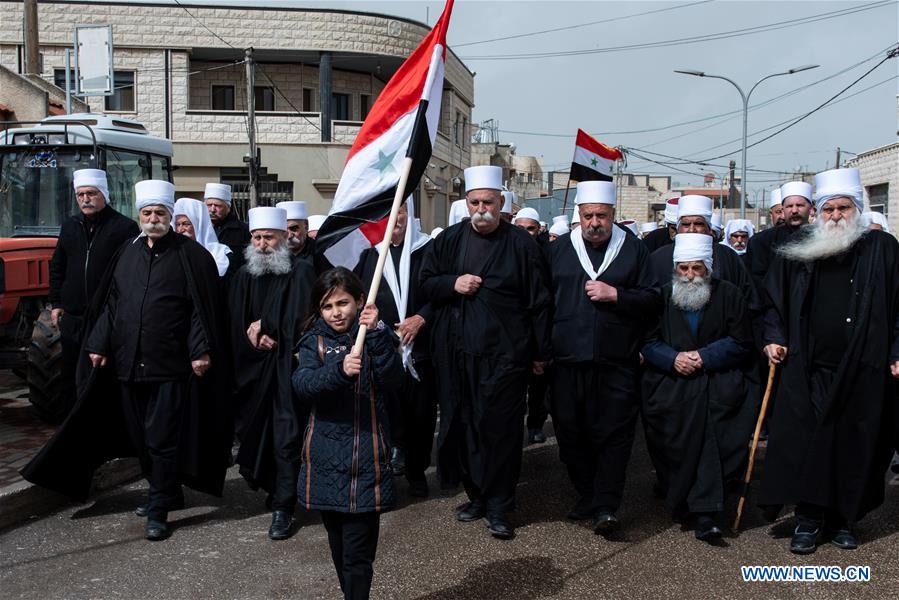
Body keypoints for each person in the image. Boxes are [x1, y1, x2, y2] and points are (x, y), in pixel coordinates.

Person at [24, 180, 232, 541]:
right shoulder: (127, 252)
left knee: (162, 437)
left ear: (170, 216)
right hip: (128, 362)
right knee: (141, 437)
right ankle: (167, 490)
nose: (153, 219)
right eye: (147, 213)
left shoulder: (191, 255)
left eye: (160, 213)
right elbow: (112, 304)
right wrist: (98, 344)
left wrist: (199, 350)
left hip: (170, 365)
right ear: (140, 216)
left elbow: (200, 309)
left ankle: (159, 507)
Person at [759, 168, 899, 554]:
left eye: (843, 208)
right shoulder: (800, 249)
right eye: (829, 209)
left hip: (864, 367)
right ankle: (808, 519)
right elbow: (773, 300)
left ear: (858, 209)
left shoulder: (883, 248)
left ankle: (843, 519)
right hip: (809, 367)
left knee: (854, 444)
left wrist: (897, 352)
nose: (836, 215)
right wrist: (774, 338)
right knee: (809, 443)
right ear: (817, 212)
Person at [420, 165, 552, 540]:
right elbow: (426, 283)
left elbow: (540, 302)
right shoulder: (448, 241)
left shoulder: (522, 245)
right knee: (464, 428)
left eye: (488, 203)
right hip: (458, 356)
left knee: (501, 432)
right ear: (467, 203)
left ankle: (499, 506)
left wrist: (540, 352)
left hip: (505, 358)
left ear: (501, 203)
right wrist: (453, 283)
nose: (482, 209)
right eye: (475, 202)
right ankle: (476, 495)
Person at [547, 180, 660, 534]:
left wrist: (618, 296)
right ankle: (587, 494)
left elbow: (653, 298)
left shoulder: (634, 250)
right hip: (567, 360)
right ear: (578, 215)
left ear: (613, 214)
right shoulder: (558, 250)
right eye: (588, 216)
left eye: (602, 216)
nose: (595, 222)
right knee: (570, 433)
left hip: (617, 361)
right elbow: (541, 302)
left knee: (614, 435)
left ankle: (607, 505)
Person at [293, 268, 403, 600]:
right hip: (325, 461)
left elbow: (393, 380)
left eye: (343, 303)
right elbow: (303, 384)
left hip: (365, 459)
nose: (336, 313)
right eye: (327, 306)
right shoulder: (314, 342)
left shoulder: (374, 335)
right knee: (339, 549)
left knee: (358, 556)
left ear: (359, 301)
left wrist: (378, 333)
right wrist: (339, 371)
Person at [641, 233, 758, 542]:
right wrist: (673, 358)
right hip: (672, 383)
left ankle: (707, 513)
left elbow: (742, 341)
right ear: (675, 269)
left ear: (708, 268)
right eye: (683, 268)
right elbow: (648, 342)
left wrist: (705, 356)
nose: (690, 275)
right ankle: (684, 502)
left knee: (716, 441)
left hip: (719, 380)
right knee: (675, 441)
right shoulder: (661, 297)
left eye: (697, 268)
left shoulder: (729, 294)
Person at [229, 206, 315, 540]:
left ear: (284, 238)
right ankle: (276, 488)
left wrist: (268, 325)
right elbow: (234, 320)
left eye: (269, 237)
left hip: (285, 368)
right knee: (258, 436)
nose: (263, 244)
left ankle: (284, 506)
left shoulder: (301, 270)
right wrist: (251, 336)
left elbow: (303, 314)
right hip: (253, 369)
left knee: (286, 438)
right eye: (257, 238)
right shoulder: (244, 275)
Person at [354, 200, 436, 497]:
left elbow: (441, 295)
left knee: (421, 415)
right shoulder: (370, 255)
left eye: (399, 211)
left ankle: (417, 472)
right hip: (383, 351)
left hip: (421, 351)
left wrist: (421, 317)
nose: (394, 219)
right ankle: (387, 470)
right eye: (387, 213)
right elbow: (358, 297)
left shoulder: (428, 250)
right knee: (386, 414)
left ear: (409, 214)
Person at [47, 168, 139, 421]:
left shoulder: (124, 228)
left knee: (103, 372)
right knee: (70, 372)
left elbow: (130, 272)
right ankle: (71, 423)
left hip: (106, 316)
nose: (85, 199)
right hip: (73, 315)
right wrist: (56, 302)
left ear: (103, 194)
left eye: (91, 193)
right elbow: (58, 266)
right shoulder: (70, 226)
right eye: (80, 194)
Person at [514, 206, 552, 443]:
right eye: (520, 228)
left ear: (538, 230)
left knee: (538, 386)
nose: (525, 233)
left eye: (530, 229)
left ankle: (536, 424)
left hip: (538, 332)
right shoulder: (504, 249)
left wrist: (543, 349)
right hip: (513, 335)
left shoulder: (546, 254)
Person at [745, 181, 813, 294]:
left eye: (800, 205)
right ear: (783, 209)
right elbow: (755, 284)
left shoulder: (821, 239)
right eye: (789, 206)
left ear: (810, 209)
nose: (794, 211)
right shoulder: (760, 242)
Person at [173, 197, 234, 279]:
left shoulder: (220, 255)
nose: (180, 230)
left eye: (186, 224)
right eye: (177, 225)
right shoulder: (170, 252)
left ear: (198, 225)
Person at [204, 182, 250, 262]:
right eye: (209, 205)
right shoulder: (199, 228)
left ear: (228, 207)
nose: (212, 210)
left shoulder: (243, 230)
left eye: (217, 206)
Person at [276, 200, 316, 265]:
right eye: (284, 231)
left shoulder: (321, 253)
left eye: (294, 229)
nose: (289, 236)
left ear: (306, 226)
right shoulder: (274, 254)